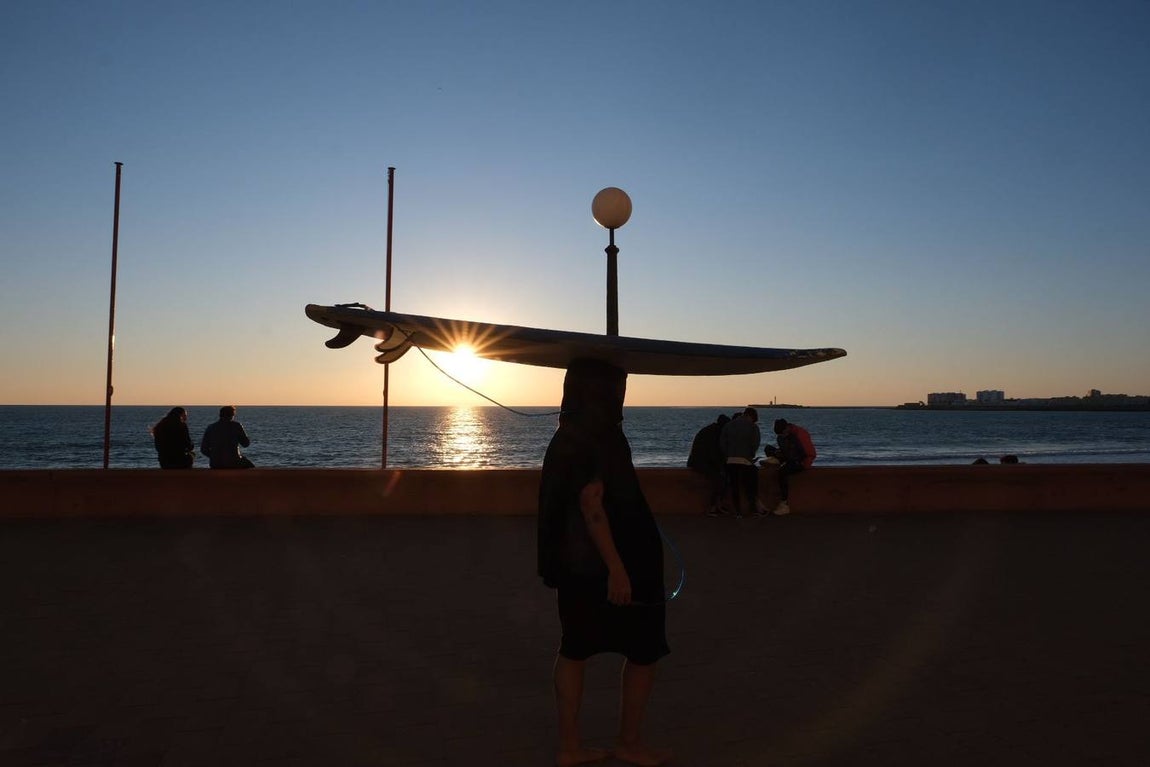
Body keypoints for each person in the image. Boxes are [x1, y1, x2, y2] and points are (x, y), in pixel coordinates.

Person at [538, 358, 672, 767]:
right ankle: (628, 743)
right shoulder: (601, 435)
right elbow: (591, 504)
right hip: (620, 566)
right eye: (619, 386)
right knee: (644, 653)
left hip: (574, 567)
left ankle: (569, 748)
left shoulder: (565, 435)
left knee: (574, 650)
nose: (623, 394)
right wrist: (617, 568)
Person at [764, 418, 816, 515]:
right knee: (768, 448)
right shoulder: (784, 436)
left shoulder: (799, 435)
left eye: (782, 433)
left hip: (801, 460)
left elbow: (804, 453)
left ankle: (785, 503)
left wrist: (794, 459)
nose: (781, 436)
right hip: (790, 456)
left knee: (782, 473)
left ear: (786, 428)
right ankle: (776, 460)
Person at [718, 407, 761, 518]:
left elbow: (722, 443)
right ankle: (753, 510)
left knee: (734, 486)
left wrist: (728, 455)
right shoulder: (753, 427)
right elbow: (755, 444)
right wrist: (750, 456)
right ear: (751, 416)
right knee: (749, 485)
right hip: (745, 460)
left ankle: (737, 512)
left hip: (730, 460)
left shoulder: (728, 425)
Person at [687, 413, 730, 516]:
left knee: (721, 478)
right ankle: (712, 507)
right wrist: (721, 465)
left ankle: (717, 505)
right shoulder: (714, 433)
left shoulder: (711, 430)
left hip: (699, 460)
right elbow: (713, 452)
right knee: (719, 479)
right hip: (699, 462)